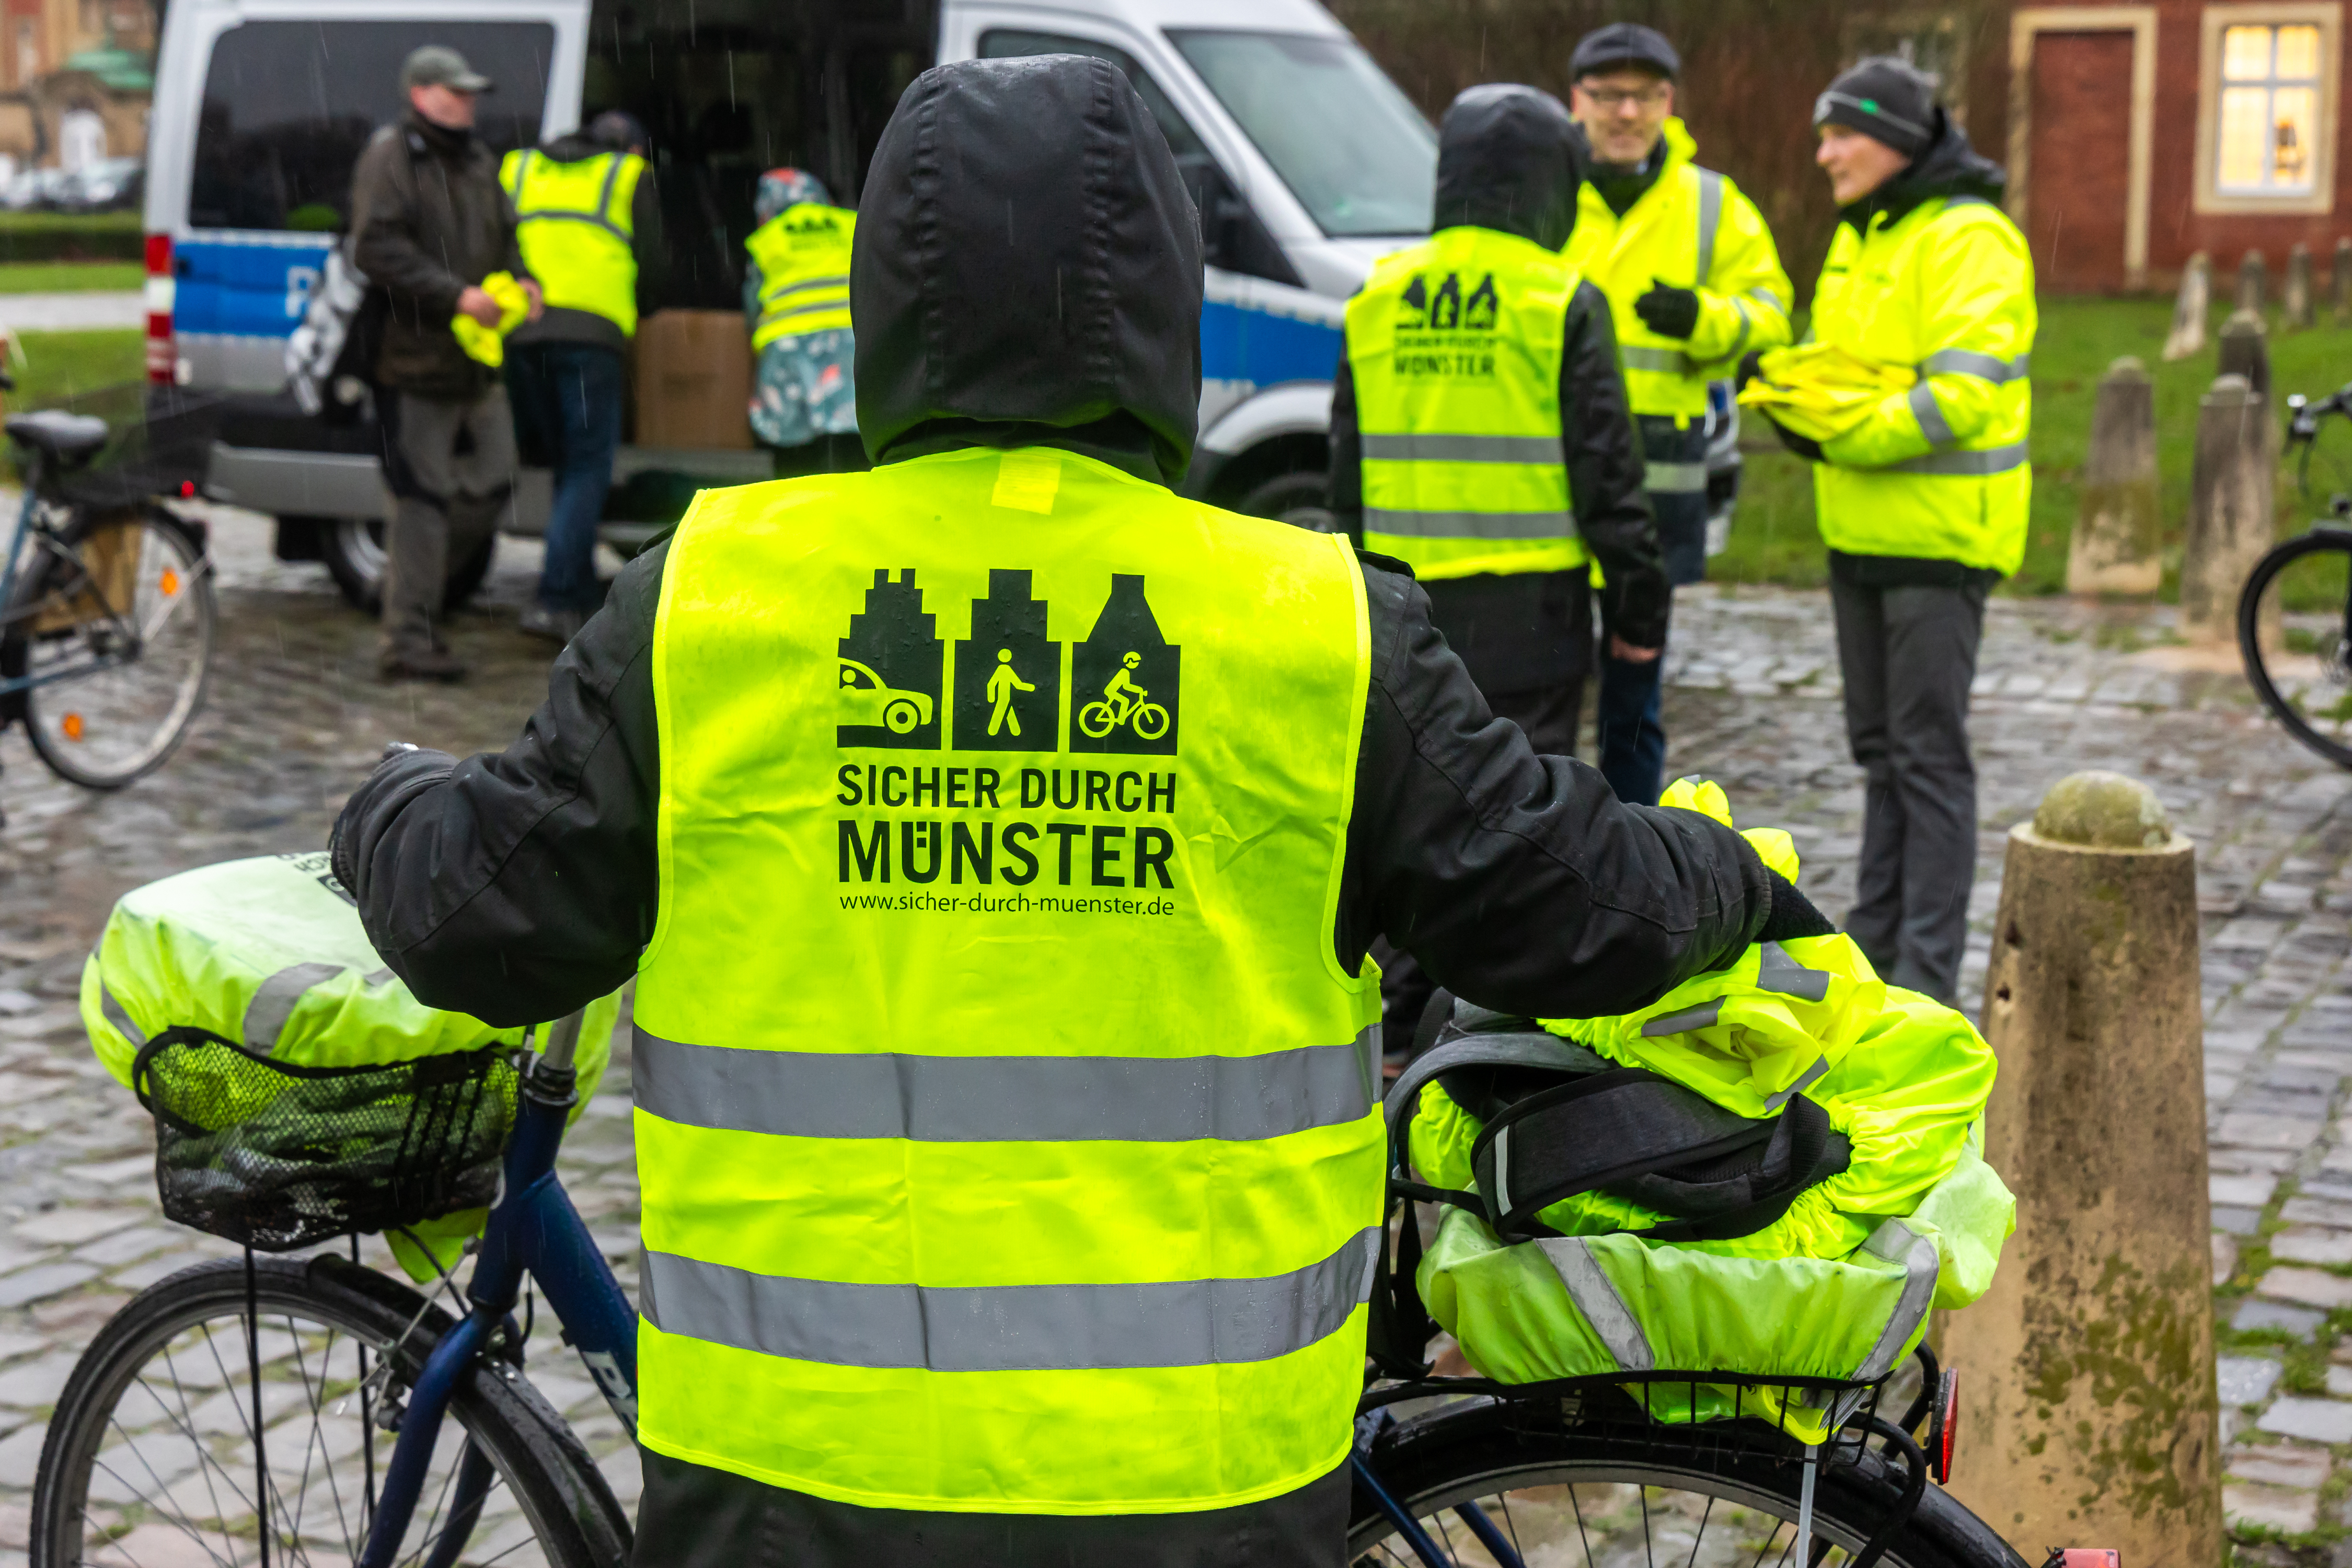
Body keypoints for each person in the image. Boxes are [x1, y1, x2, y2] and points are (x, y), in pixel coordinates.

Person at [331, 55, 1831, 1567]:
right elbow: (1573, 909)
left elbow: (474, 919)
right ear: (1165, 306)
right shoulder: (1305, 623)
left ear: (884, 303)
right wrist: (1724, 868)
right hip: (1201, 1484)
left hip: (795, 1482)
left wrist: (385, 803)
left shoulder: (711, 596)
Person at [1327, 83, 1668, 1060]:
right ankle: (1486, 1037)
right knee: (1514, 828)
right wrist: (1638, 607)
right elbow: (1608, 473)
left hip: (1399, 607)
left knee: (1399, 815)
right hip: (1532, 612)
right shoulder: (1559, 299)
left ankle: (1395, 1034)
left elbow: (1344, 473)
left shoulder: (1377, 297)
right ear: (1553, 184)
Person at [1756, 56, 2034, 1003]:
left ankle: (1926, 976)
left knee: (1925, 759)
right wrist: (1781, 389)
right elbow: (1842, 369)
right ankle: (1874, 957)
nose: (1825, 154)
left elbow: (1961, 396)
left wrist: (1837, 437)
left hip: (1938, 542)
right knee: (1880, 754)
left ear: (1897, 141)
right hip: (1861, 535)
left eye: (1842, 134)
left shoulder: (1970, 237)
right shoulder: (1864, 232)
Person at [1562, 22, 1793, 807]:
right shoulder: (1546, 186)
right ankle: (1546, 845)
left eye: (1644, 96)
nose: (1627, 113)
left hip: (1654, 487)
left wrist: (1704, 319)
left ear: (1668, 102)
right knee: (1546, 685)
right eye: (1609, 96)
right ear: (1578, 100)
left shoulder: (1712, 202)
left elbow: (1772, 314)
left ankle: (1630, 840)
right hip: (1551, 479)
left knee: (1635, 691)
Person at [350, 44, 540, 683]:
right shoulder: (392, 156)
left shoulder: (480, 161)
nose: (467, 103)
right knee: (421, 503)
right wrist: (454, 295)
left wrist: (523, 279)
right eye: (455, 92)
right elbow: (375, 247)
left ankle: (408, 588)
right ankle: (407, 640)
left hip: (474, 365)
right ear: (420, 94)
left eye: (470, 93)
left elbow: (507, 237)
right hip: (413, 367)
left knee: (494, 480)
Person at [502, 109, 663, 648]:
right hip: (592, 336)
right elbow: (655, 261)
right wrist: (647, 308)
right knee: (587, 465)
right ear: (631, 149)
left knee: (562, 463)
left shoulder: (521, 166)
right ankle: (554, 599)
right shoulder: (628, 175)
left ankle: (569, 584)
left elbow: (493, 238)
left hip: (522, 332)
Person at [744, 167, 862, 476]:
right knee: (854, 437)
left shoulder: (767, 237)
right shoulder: (852, 224)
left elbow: (753, 303)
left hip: (787, 349)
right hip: (851, 345)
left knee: (791, 444)